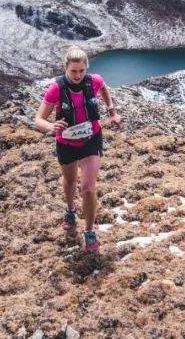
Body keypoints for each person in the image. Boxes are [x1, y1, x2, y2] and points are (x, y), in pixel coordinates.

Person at [33, 45, 121, 253]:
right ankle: (70, 210)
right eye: (73, 71)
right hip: (67, 143)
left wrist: (111, 111)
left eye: (82, 71)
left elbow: (104, 88)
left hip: (91, 139)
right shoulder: (57, 88)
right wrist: (51, 127)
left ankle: (89, 232)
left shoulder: (94, 81)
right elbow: (38, 119)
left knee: (89, 187)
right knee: (70, 180)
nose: (78, 75)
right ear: (66, 67)